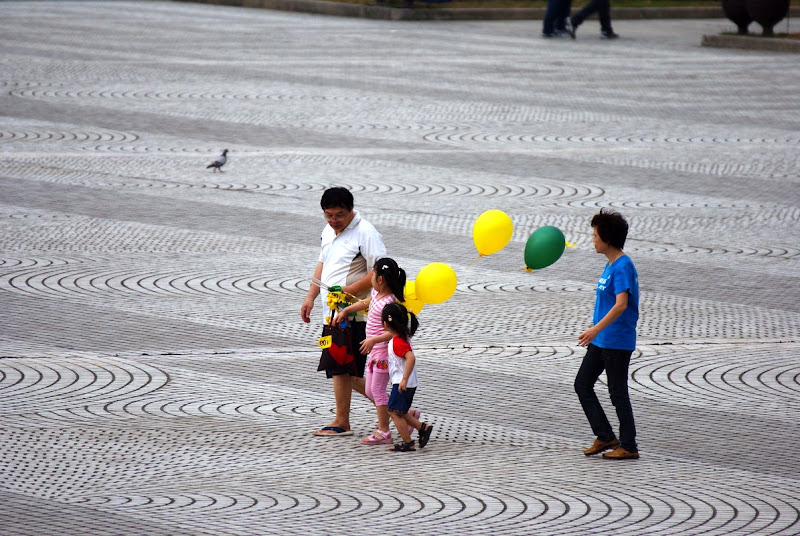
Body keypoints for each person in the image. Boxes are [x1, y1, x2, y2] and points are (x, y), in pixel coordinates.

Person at [301, 187, 387, 437]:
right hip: (333, 312)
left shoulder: (366, 232)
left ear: (351, 211)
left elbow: (379, 271)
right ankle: (394, 412)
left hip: (357, 313)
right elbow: (322, 263)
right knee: (344, 368)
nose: (333, 221)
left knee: (348, 369)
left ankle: (388, 413)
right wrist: (310, 297)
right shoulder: (328, 231)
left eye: (339, 215)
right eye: (328, 215)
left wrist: (349, 289)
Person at [333, 258, 420, 445]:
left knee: (377, 391)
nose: (370, 278)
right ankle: (405, 415)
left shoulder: (389, 303)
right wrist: (346, 310)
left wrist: (373, 340)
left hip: (382, 353)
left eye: (372, 274)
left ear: (380, 279)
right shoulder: (377, 294)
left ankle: (384, 431)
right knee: (369, 390)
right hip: (373, 352)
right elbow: (366, 302)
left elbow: (392, 333)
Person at [575, 208, 639, 460]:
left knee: (617, 393)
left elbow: (621, 304)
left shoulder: (623, 266)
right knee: (582, 384)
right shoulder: (610, 264)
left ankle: (629, 446)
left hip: (616, 341)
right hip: (602, 340)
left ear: (607, 238)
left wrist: (594, 329)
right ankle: (605, 436)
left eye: (595, 235)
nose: (592, 239)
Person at [382, 302, 433, 452]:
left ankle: (407, 442)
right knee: (401, 411)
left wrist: (403, 379)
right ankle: (423, 428)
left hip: (404, 384)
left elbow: (410, 358)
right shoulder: (401, 338)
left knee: (394, 412)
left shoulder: (397, 342)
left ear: (385, 324)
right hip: (404, 382)